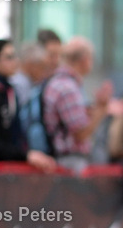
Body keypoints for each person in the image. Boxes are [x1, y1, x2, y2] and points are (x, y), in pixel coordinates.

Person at [0, 39, 57, 172]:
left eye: (15, 56)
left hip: (10, 170)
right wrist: (26, 155)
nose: (15, 61)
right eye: (9, 57)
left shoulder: (9, 92)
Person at [42, 36, 113, 172]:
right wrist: (102, 110)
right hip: (70, 162)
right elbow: (80, 133)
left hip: (63, 160)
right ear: (85, 60)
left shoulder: (58, 82)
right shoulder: (68, 88)